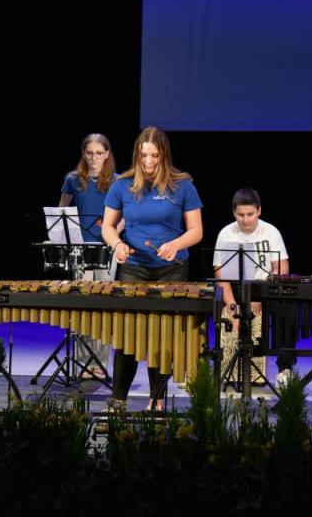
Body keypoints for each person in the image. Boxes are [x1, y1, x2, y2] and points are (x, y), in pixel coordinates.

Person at [101, 127, 203, 411]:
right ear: (137, 154)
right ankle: (118, 401)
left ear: (164, 155)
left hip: (171, 270)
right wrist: (117, 245)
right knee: (127, 337)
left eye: (154, 156)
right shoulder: (121, 185)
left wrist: (175, 244)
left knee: (162, 337)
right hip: (133, 268)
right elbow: (108, 226)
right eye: (144, 155)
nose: (148, 162)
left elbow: (196, 231)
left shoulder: (183, 186)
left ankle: (156, 401)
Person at [213, 188, 289, 387]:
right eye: (241, 215)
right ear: (233, 212)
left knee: (286, 312)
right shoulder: (226, 234)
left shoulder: (271, 232)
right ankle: (229, 367)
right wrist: (231, 307)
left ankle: (285, 369)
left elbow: (281, 269)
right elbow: (221, 276)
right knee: (221, 309)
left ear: (259, 211)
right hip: (237, 289)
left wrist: (260, 296)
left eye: (250, 214)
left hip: (265, 288)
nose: (246, 220)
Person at [58, 134, 118, 379]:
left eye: (99, 153)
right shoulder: (72, 179)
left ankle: (100, 364)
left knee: (102, 306)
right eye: (90, 153)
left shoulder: (117, 182)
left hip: (106, 248)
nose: (94, 157)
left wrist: (114, 234)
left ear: (107, 154)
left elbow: (124, 215)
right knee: (83, 306)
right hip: (79, 249)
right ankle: (84, 363)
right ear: (84, 154)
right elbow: (61, 211)